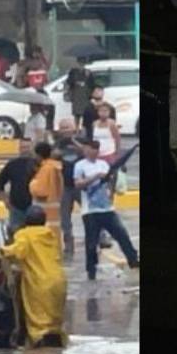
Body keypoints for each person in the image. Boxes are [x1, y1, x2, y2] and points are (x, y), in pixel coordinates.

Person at [0, 205, 67, 348]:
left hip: (38, 283)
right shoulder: (50, 235)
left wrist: (0, 251)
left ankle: (39, 345)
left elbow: (18, 251)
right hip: (58, 281)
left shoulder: (25, 235)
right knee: (54, 319)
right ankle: (56, 342)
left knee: (39, 320)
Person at [74, 140, 139, 280]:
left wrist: (111, 190)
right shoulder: (80, 166)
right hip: (90, 211)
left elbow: (111, 178)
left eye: (96, 149)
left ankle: (133, 260)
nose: (93, 152)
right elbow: (78, 184)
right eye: (90, 149)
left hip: (107, 209)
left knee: (122, 236)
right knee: (91, 243)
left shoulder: (103, 164)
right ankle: (91, 270)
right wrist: (96, 177)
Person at [53, 118, 83, 257]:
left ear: (74, 128)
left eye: (68, 127)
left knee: (90, 213)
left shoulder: (81, 140)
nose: (65, 131)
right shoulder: (57, 144)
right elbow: (51, 157)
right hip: (64, 186)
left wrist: (74, 142)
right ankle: (68, 244)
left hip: (81, 184)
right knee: (65, 217)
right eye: (63, 128)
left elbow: (87, 152)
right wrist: (57, 152)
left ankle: (99, 238)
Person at [0, 138, 35, 236]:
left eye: (27, 147)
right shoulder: (12, 164)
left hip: (34, 206)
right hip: (16, 207)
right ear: (19, 149)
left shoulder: (37, 164)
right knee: (16, 235)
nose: (25, 150)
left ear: (32, 148)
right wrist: (5, 200)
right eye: (23, 147)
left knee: (33, 235)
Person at [29, 142, 64, 237]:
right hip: (53, 215)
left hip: (45, 215)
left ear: (39, 155)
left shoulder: (46, 169)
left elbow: (41, 192)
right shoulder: (55, 167)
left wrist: (32, 184)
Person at [65, 57, 95, 129]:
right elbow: (69, 82)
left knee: (86, 112)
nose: (81, 65)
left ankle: (84, 128)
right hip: (76, 94)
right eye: (80, 63)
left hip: (85, 95)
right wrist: (76, 83)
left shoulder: (88, 72)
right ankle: (77, 128)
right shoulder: (73, 72)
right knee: (76, 113)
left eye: (83, 63)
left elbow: (92, 84)